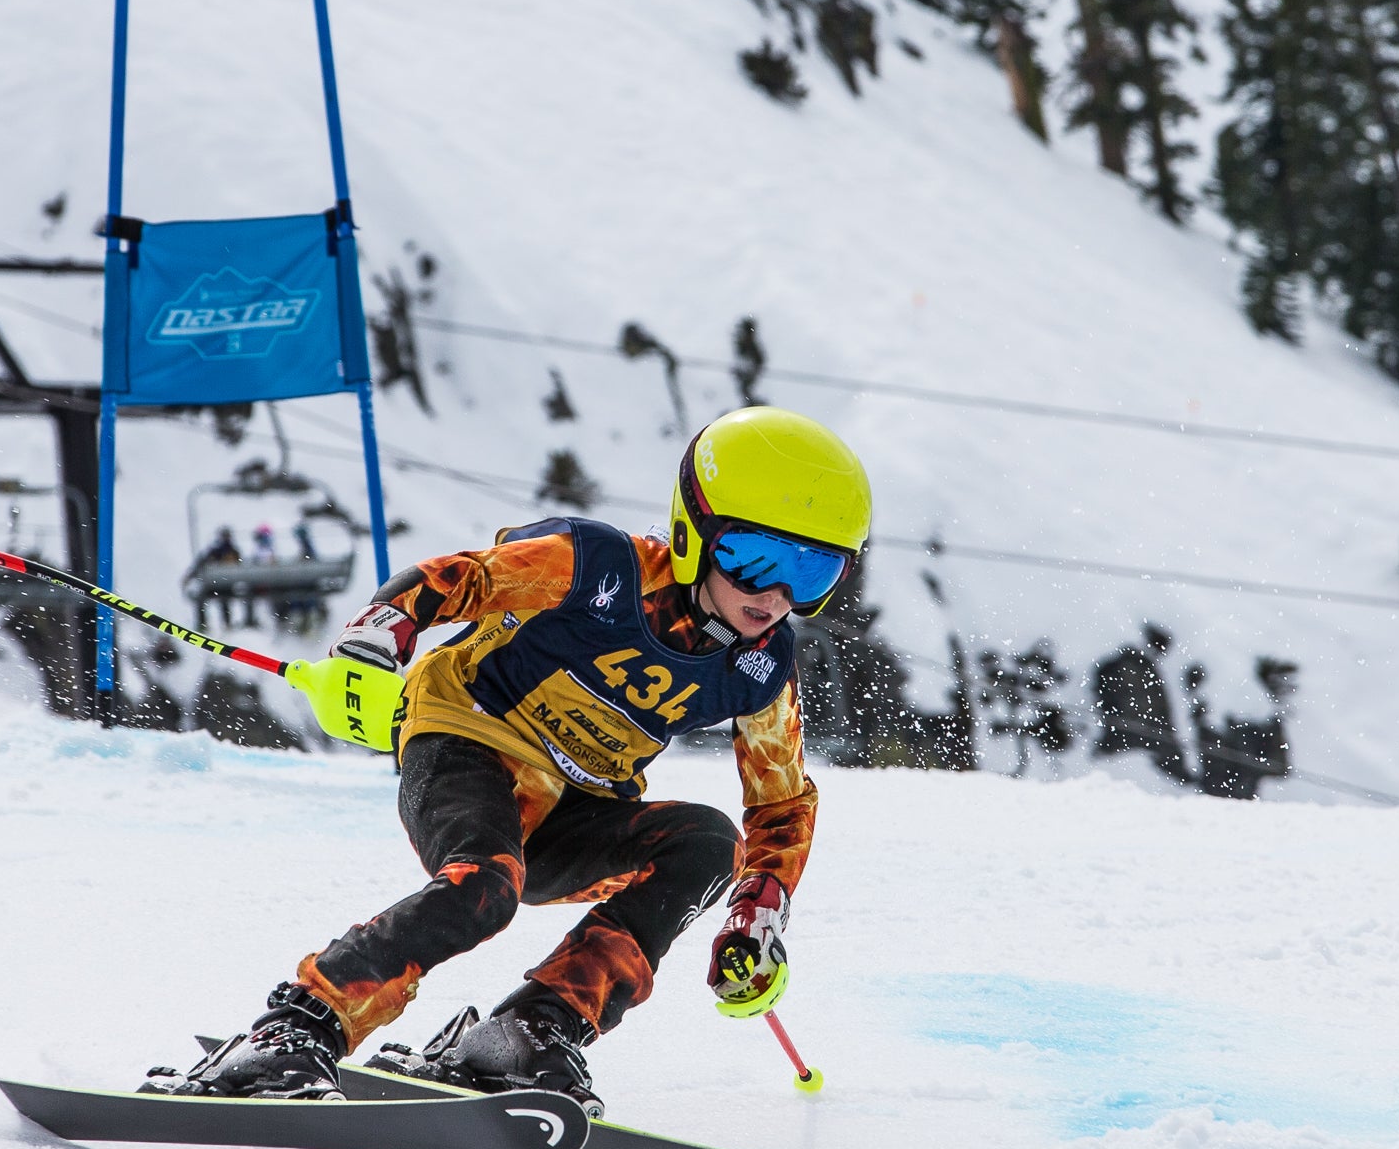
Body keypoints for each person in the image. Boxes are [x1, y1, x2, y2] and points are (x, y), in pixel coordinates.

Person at [146, 407, 871, 1112]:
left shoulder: (758, 667)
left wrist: (758, 911)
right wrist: (382, 632)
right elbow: (465, 576)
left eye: (812, 573)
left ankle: (528, 1028)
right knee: (483, 887)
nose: (775, 595)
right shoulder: (599, 569)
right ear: (693, 532)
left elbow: (780, 802)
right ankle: (298, 1024)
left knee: (710, 843)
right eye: (755, 559)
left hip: (575, 808)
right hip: (466, 738)